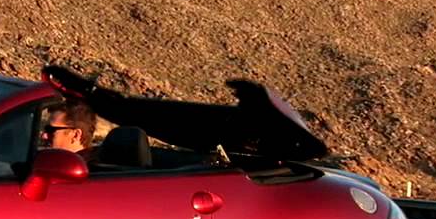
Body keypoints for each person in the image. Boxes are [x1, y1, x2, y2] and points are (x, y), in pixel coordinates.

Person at [40, 64, 327, 161]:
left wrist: (86, 92)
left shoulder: (97, 165)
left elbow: (130, 112)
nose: (42, 135)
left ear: (77, 134)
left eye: (51, 131)